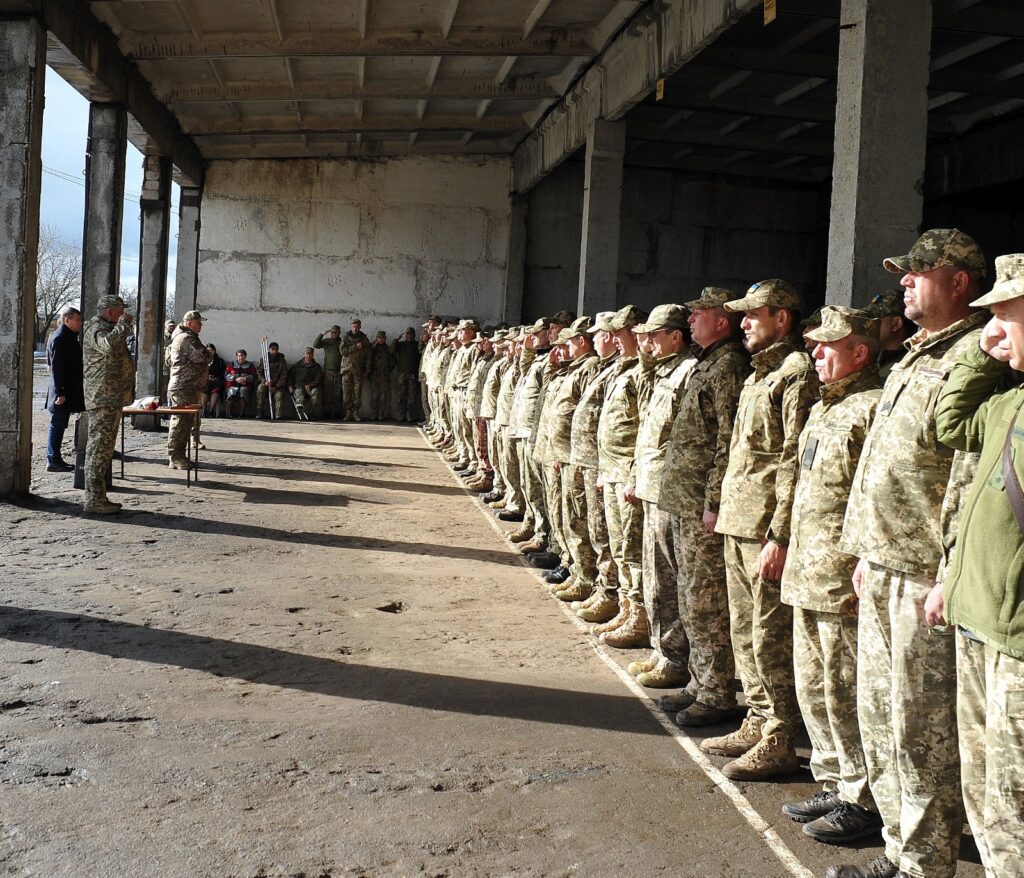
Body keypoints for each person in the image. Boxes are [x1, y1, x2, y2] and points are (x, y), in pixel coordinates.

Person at [830, 229, 995, 878]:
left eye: (918, 272)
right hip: (887, 563)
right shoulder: (920, 354)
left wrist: (948, 571)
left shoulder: (976, 357)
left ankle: (925, 863)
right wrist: (868, 550)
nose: (904, 281)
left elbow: (971, 478)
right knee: (882, 716)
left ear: (958, 281)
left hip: (926, 572)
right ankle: (901, 848)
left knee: (921, 729)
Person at [703, 278, 819, 781]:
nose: (743, 323)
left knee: (770, 636)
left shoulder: (796, 374)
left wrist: (781, 534)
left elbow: (794, 459)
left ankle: (780, 736)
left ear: (782, 319)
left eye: (754, 314)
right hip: (739, 519)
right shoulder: (757, 375)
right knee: (745, 629)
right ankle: (756, 718)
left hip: (764, 527)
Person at [934, 253, 1024, 878]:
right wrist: (984, 351)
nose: (989, 329)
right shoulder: (1009, 399)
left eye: (1003, 316)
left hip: (1017, 641)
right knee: (986, 795)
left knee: (1015, 805)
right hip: (978, 621)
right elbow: (950, 424)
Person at [779, 306, 884, 844]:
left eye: (827, 346)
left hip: (841, 578)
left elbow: (871, 500)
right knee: (816, 687)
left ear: (859, 352)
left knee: (846, 691)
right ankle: (836, 780)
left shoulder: (870, 409)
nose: (815, 353)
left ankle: (863, 798)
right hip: (807, 569)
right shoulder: (826, 408)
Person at [656, 287, 748, 724]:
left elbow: (726, 440)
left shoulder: (728, 366)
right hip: (684, 500)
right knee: (691, 598)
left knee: (706, 601)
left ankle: (716, 692)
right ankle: (699, 680)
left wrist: (714, 502)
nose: (691, 319)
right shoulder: (708, 363)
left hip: (699, 505)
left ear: (722, 321)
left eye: (700, 313)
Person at [626, 304, 697, 687]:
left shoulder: (688, 371)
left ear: (676, 335)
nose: (647, 342)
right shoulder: (664, 370)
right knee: (656, 577)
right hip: (654, 486)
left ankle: (674, 657)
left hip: (673, 490)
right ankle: (662, 649)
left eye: (655, 335)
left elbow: (681, 439)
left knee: (671, 579)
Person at [81, 294, 135, 514]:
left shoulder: (108, 326)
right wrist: (123, 326)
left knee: (104, 448)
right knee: (98, 448)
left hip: (111, 397)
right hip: (102, 397)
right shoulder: (96, 328)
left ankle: (98, 496)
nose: (124, 313)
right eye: (121, 310)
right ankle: (93, 500)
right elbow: (108, 346)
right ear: (111, 311)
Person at [167, 310, 213, 469]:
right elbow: (202, 356)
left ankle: (178, 456)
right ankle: (175, 456)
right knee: (180, 422)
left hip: (189, 386)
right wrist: (209, 353)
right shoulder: (186, 338)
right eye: (198, 322)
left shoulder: (187, 337)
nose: (201, 325)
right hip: (183, 386)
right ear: (189, 323)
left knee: (186, 423)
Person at [44, 306, 84, 472]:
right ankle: (53, 460)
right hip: (61, 392)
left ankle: (56, 458)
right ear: (67, 320)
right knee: (57, 424)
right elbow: (57, 367)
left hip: (65, 390)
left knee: (60, 424)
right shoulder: (61, 338)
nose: (80, 324)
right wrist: (60, 392)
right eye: (77, 320)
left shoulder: (67, 336)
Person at [863, 289, 913, 380]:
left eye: (875, 320)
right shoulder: (872, 358)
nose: (868, 325)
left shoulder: (909, 365)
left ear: (896, 324)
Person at [340, 318, 371, 420]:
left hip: (358, 369)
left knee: (357, 392)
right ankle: (348, 412)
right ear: (351, 326)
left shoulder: (364, 338)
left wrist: (367, 370)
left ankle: (355, 412)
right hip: (347, 369)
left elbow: (368, 355)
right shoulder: (345, 337)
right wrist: (355, 347)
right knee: (346, 392)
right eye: (353, 326)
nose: (355, 328)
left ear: (360, 327)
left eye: (357, 326)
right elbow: (342, 351)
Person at [313, 324, 343, 420]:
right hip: (328, 372)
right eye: (333, 332)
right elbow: (316, 345)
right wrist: (322, 334)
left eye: (336, 332)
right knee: (327, 393)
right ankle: (326, 413)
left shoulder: (342, 342)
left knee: (338, 394)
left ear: (339, 333)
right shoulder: (327, 341)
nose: (334, 334)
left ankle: (338, 413)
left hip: (339, 371)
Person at [287, 347, 324, 420]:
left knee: (316, 392)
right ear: (304, 354)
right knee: (299, 391)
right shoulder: (297, 365)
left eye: (310, 354)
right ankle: (300, 413)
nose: (308, 356)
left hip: (311, 388)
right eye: (307, 354)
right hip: (299, 387)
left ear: (313, 355)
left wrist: (310, 385)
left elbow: (318, 379)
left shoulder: (317, 366)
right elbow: (290, 377)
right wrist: (289, 386)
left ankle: (312, 414)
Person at [393, 327, 421, 422]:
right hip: (402, 373)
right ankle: (401, 414)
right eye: (408, 334)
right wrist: (396, 340)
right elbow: (391, 350)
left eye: (411, 334)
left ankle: (409, 414)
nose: (409, 336)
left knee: (412, 395)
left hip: (413, 373)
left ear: (414, 335)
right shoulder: (401, 345)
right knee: (401, 394)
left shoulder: (417, 345)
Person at [256, 342, 288, 419]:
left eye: (276, 349)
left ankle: (278, 416)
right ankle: (260, 412)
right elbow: (259, 373)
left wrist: (276, 387)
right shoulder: (264, 359)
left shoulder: (282, 361)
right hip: (266, 383)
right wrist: (264, 381)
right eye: (272, 349)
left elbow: (284, 376)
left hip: (277, 385)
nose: (274, 351)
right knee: (260, 388)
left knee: (279, 395)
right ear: (269, 349)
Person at [369, 331, 395, 421]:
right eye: (379, 338)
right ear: (377, 338)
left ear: (385, 339)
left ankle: (381, 414)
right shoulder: (373, 350)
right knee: (374, 396)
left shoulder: (388, 349)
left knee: (383, 396)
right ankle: (374, 413)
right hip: (375, 376)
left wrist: (387, 371)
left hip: (384, 376)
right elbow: (369, 361)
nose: (380, 339)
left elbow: (392, 362)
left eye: (382, 338)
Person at [224, 349, 258, 417]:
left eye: (243, 356)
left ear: (245, 356)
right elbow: (226, 374)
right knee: (231, 392)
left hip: (245, 385)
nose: (241, 357)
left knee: (243, 391)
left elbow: (254, 376)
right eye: (239, 356)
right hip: (232, 385)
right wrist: (235, 378)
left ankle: (242, 413)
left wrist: (245, 378)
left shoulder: (250, 365)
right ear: (237, 357)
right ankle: (229, 413)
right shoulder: (231, 364)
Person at [205, 343, 225, 417]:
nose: (210, 352)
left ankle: (211, 410)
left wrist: (215, 377)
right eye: (208, 350)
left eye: (212, 350)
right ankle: (203, 410)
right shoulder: (203, 361)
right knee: (205, 388)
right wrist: (207, 377)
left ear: (214, 351)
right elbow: (199, 372)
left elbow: (223, 372)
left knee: (216, 388)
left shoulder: (220, 361)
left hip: (217, 380)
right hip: (206, 381)